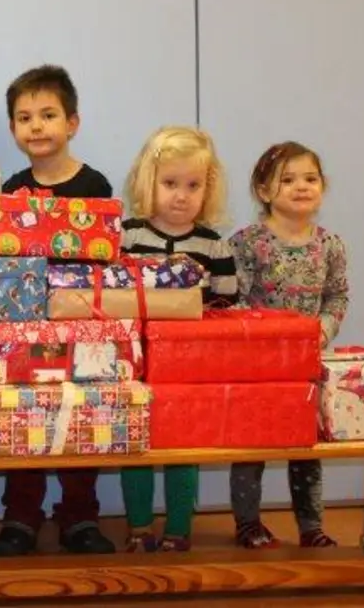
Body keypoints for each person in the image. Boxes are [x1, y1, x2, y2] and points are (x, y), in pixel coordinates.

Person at [0, 65, 116, 556]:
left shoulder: (95, 186)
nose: (36, 126)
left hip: (84, 324)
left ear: (73, 122)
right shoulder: (12, 188)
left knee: (82, 413)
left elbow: (103, 258)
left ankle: (79, 514)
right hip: (26, 323)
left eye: (47, 115)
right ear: (14, 128)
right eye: (24, 117)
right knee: (26, 414)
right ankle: (20, 515)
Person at [117, 126, 237, 553]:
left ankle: (179, 528)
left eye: (193, 185)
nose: (181, 196)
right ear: (149, 183)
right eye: (170, 184)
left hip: (190, 363)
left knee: (184, 444)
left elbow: (226, 303)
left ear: (209, 189)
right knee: (136, 442)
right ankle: (138, 526)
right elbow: (111, 295)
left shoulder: (214, 245)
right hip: (136, 361)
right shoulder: (127, 236)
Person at [228, 141, 350, 549]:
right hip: (257, 363)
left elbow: (337, 296)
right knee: (251, 444)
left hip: (306, 362)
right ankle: (248, 524)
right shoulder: (247, 242)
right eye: (288, 179)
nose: (301, 187)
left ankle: (311, 526)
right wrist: (260, 335)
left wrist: (324, 329)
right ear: (264, 191)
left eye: (310, 178)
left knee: (306, 446)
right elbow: (236, 299)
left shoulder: (330, 245)